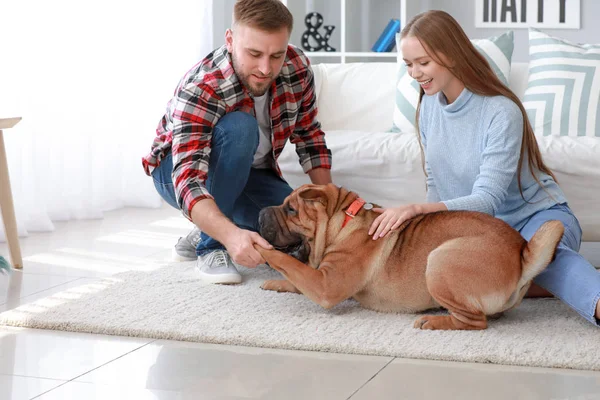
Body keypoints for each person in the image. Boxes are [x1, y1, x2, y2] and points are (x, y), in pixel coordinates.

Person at [368, 10, 600, 326]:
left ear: (451, 54)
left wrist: (415, 209)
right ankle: (523, 283)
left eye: (423, 63)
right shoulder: (428, 108)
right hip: (481, 234)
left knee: (542, 258)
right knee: (450, 276)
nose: (414, 73)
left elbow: (487, 200)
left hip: (535, 219)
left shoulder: (500, 111)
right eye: (408, 64)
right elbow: (436, 179)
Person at [142, 0, 332, 285]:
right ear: (230, 40)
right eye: (254, 54)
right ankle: (211, 245)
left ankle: (210, 225)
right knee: (241, 127)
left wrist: (329, 199)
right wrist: (230, 238)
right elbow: (188, 179)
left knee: (296, 237)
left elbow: (309, 136)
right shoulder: (202, 86)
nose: (265, 68)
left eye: (276, 55)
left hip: (250, 174)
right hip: (175, 174)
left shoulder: (296, 66)